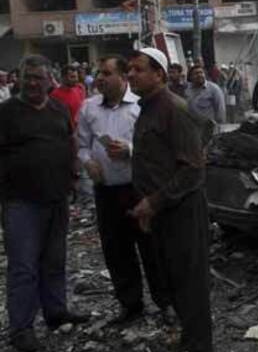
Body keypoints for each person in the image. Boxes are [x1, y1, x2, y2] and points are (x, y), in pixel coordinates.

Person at [126, 48, 214, 352]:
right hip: (163, 210)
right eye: (129, 69)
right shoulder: (149, 108)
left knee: (190, 285)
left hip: (182, 210)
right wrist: (150, 206)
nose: (131, 74)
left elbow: (193, 169)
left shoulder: (174, 109)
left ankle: (199, 345)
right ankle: (189, 338)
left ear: (159, 74)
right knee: (172, 280)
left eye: (138, 69)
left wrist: (154, 202)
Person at [0, 55, 90, 351]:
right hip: (20, 203)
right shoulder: (6, 113)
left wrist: (73, 177)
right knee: (23, 267)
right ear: (19, 79)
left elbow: (70, 142)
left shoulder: (58, 109)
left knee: (55, 260)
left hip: (57, 198)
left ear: (49, 80)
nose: (32, 83)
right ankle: (21, 329)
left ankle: (55, 311)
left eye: (38, 77)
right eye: (27, 77)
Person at [77, 55, 174, 328]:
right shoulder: (88, 108)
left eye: (107, 73)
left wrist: (129, 150)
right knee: (116, 250)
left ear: (122, 77)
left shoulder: (141, 106)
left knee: (151, 247)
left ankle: (166, 302)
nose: (100, 78)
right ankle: (130, 304)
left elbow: (156, 146)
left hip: (138, 189)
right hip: (106, 191)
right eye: (99, 73)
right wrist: (88, 162)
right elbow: (81, 145)